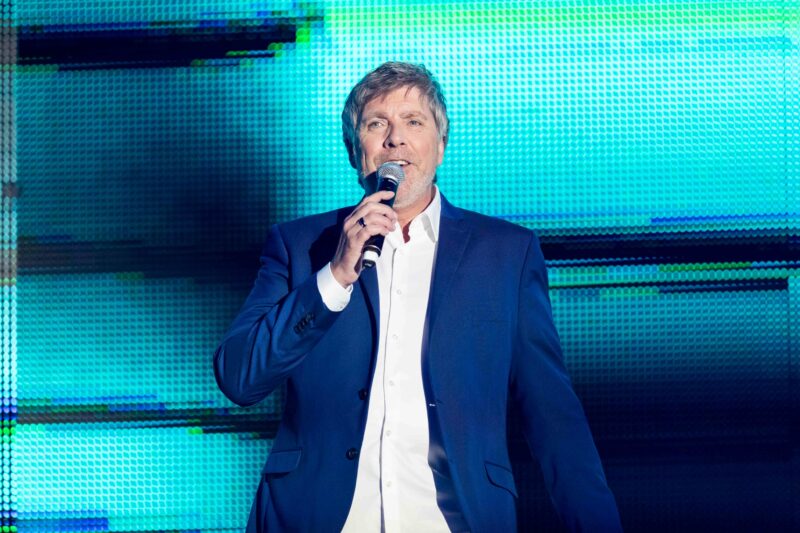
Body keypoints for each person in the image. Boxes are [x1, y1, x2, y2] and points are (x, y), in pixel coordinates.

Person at [214, 61, 622, 532]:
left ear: (440, 145)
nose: (396, 140)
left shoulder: (506, 253)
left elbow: (552, 416)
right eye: (376, 124)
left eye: (413, 121)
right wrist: (335, 277)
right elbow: (239, 378)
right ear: (354, 152)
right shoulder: (300, 245)